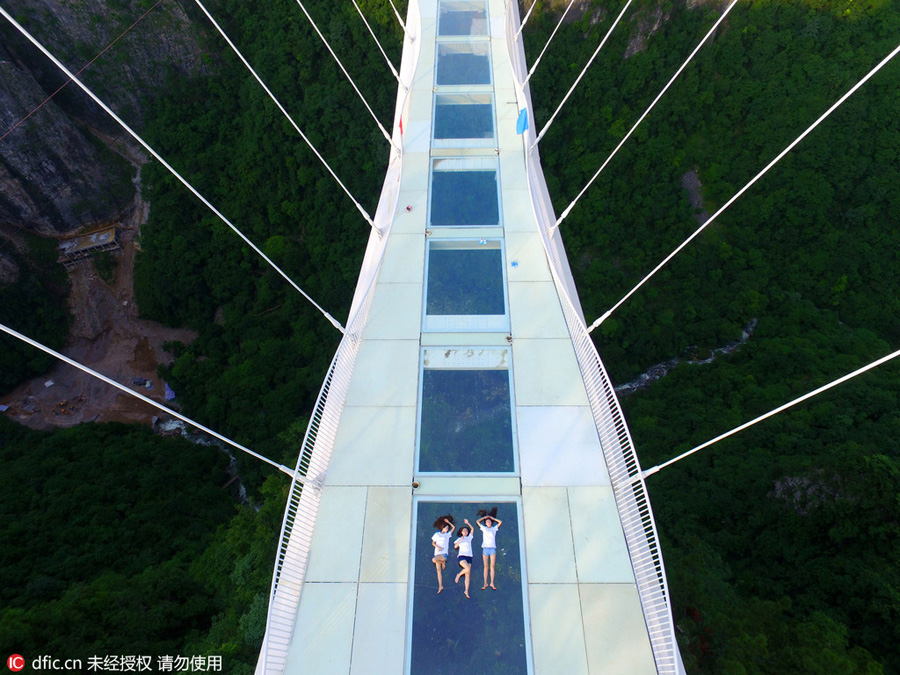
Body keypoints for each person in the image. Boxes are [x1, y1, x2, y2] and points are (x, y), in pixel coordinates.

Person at [477, 512, 502, 590]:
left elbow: (500, 522)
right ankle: (485, 583)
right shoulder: (484, 528)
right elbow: (477, 522)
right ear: (485, 523)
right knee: (486, 567)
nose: (489, 522)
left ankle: (492, 582)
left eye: (490, 521)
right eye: (487, 522)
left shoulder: (494, 529)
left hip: (492, 549)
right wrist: (484, 518)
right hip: (485, 548)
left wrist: (493, 518)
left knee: (492, 566)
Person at [431, 515, 455, 593]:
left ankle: (443, 561)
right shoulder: (437, 534)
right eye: (446, 528)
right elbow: (433, 543)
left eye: (448, 528)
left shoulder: (447, 535)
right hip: (437, 553)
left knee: (433, 560)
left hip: (443, 554)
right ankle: (440, 585)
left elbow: (453, 528)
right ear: (442, 527)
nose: (447, 529)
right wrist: (437, 547)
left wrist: (448, 522)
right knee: (438, 570)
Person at [453, 519, 474, 599]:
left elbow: (472, 529)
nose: (465, 532)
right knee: (467, 568)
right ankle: (458, 574)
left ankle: (466, 590)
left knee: (468, 573)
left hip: (469, 556)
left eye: (466, 531)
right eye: (463, 531)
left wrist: (468, 523)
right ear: (461, 532)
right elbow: (455, 546)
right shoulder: (459, 539)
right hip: (462, 556)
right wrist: (461, 539)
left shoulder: (469, 538)